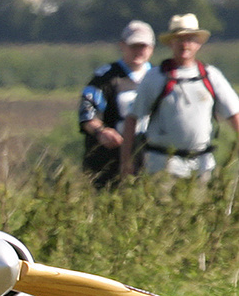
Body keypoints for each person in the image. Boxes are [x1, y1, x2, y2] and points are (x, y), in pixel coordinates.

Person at [121, 13, 239, 185]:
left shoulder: (211, 76)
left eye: (190, 39)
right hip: (161, 167)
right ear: (171, 42)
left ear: (199, 43)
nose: (185, 44)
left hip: (201, 167)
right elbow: (132, 119)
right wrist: (126, 162)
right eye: (179, 39)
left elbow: (234, 115)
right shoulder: (155, 77)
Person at [78, 20, 153, 189]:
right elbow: (87, 113)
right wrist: (101, 131)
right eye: (133, 46)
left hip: (149, 160)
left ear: (151, 48)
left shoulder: (159, 77)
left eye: (143, 46)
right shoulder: (105, 78)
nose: (138, 51)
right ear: (122, 46)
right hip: (110, 161)